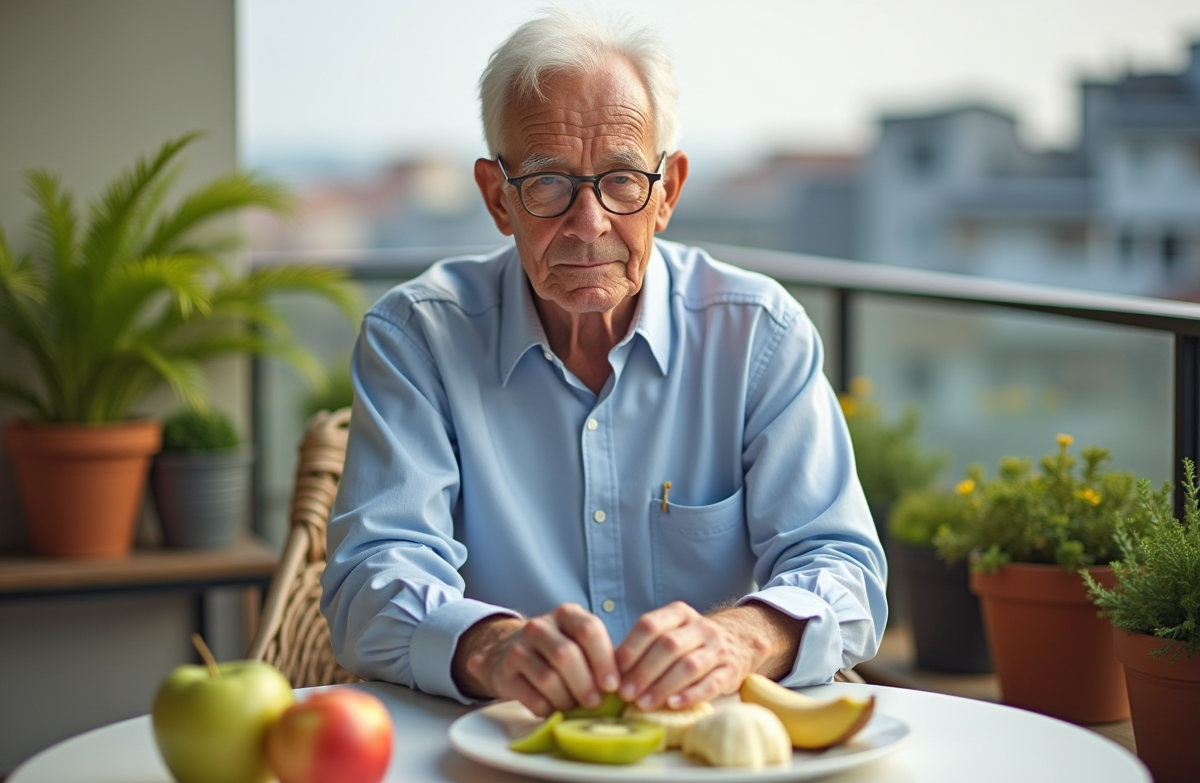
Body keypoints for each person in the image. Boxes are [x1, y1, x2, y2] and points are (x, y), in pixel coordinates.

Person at [321, 7, 885, 718]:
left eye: (622, 180)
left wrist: (742, 638)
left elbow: (845, 571)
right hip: (501, 745)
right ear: (499, 198)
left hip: (713, 750)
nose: (589, 225)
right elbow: (371, 578)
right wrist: (491, 648)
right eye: (549, 182)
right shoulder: (417, 337)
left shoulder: (759, 335)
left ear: (668, 192)